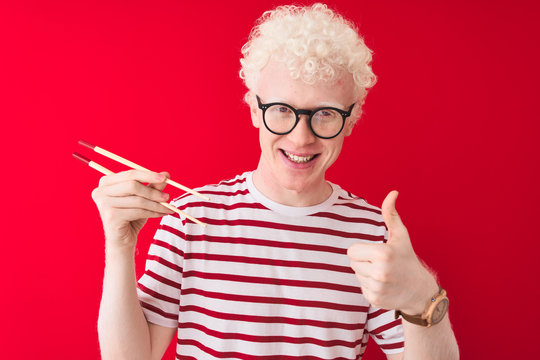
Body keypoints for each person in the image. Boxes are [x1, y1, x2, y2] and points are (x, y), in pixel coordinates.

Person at [92, 3, 459, 359]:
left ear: (351, 119)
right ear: (254, 108)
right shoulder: (189, 218)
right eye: (282, 110)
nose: (301, 138)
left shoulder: (372, 236)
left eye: (326, 114)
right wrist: (119, 245)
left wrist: (422, 295)